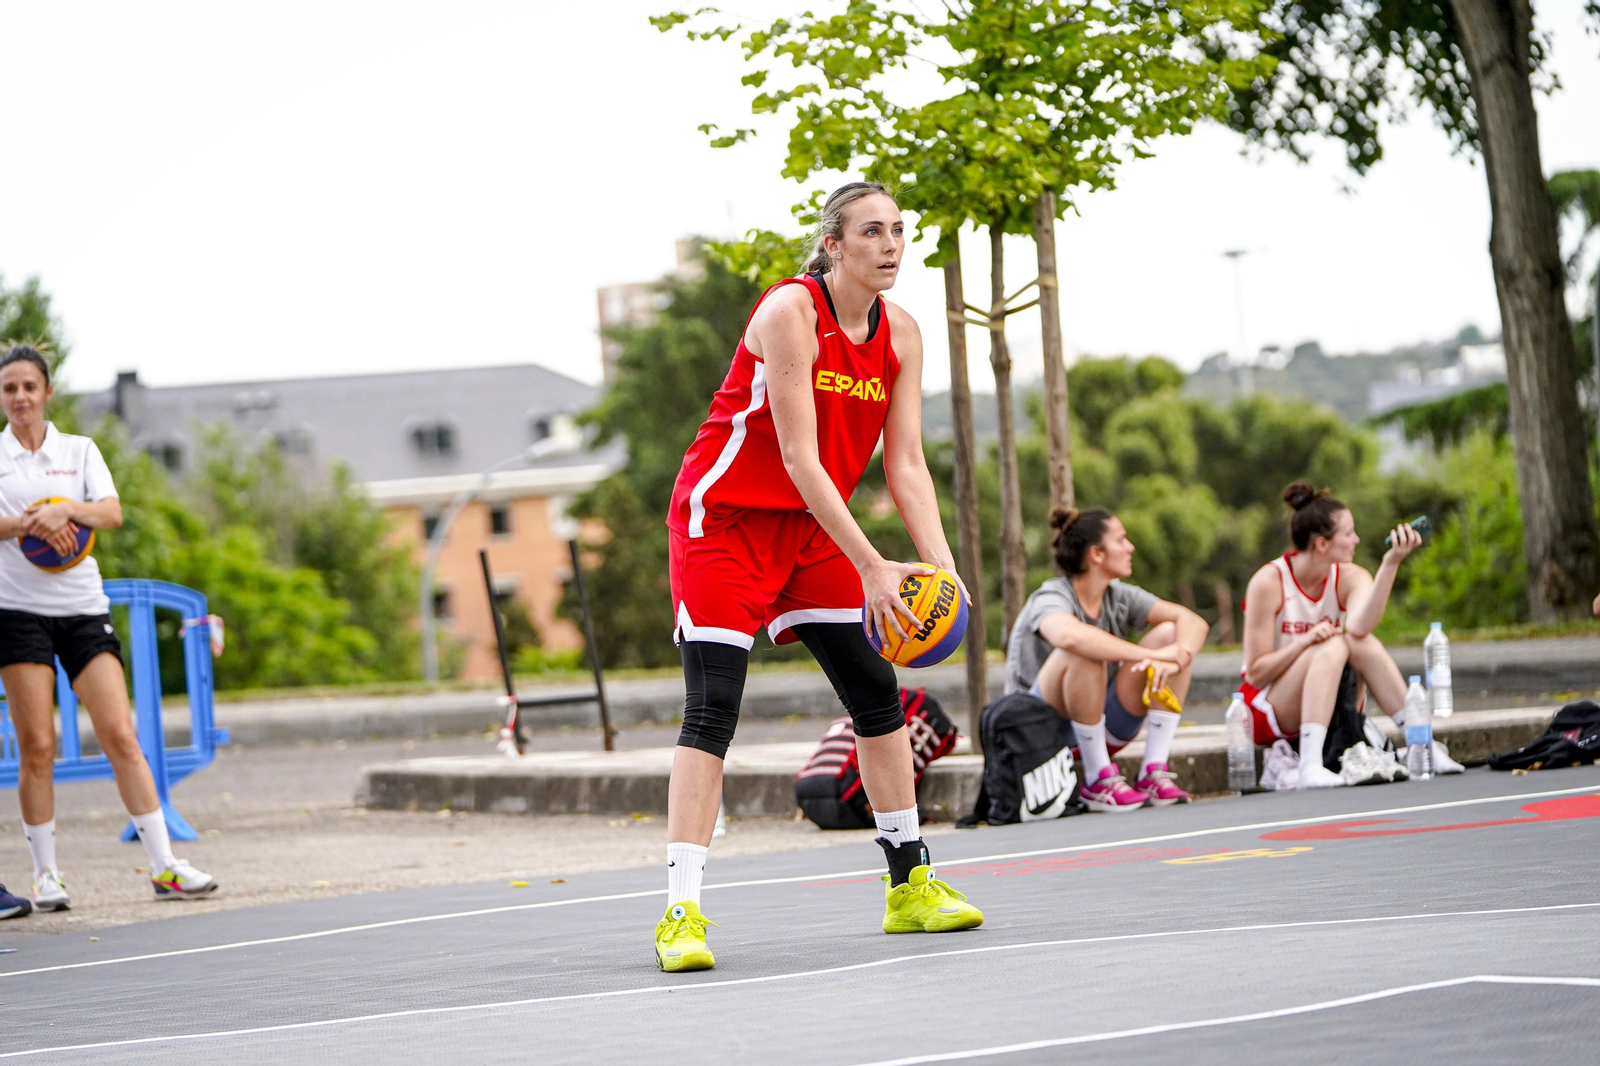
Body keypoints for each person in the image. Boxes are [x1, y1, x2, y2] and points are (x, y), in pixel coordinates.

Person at [655, 183, 982, 972]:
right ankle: (681, 912)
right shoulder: (788, 313)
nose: (892, 245)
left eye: (900, 231)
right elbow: (801, 456)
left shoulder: (901, 333)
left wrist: (939, 568)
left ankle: (910, 884)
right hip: (726, 522)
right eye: (873, 231)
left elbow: (904, 462)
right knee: (713, 707)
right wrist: (874, 566)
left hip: (812, 528)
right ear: (833, 244)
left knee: (876, 691)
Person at [0, 344, 217, 911]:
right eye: (9, 389)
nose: (20, 397)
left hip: (81, 607)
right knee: (38, 745)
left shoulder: (79, 450)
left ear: (48, 393)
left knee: (120, 733)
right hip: (16, 612)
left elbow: (111, 513)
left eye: (29, 387)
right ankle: (47, 876)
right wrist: (29, 521)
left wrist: (66, 511)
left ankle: (165, 866)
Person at [1005, 508, 1210, 811]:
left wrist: (1177, 658)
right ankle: (1098, 780)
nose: (1131, 548)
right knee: (1085, 650)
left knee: (1171, 634)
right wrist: (1152, 656)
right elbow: (1069, 637)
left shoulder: (1118, 595)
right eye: (1122, 540)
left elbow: (1192, 621)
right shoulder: (1050, 597)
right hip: (1043, 737)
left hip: (1101, 724)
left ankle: (1153, 771)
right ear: (1097, 554)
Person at [1240, 481, 1422, 789]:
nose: (1356, 540)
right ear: (1322, 544)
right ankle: (1310, 764)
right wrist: (1304, 641)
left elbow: (1360, 629)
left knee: (1355, 642)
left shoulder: (1351, 576)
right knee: (1335, 644)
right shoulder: (1269, 581)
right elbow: (1256, 673)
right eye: (1349, 533)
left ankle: (1421, 746)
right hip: (1270, 706)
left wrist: (1390, 565)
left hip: (1328, 701)